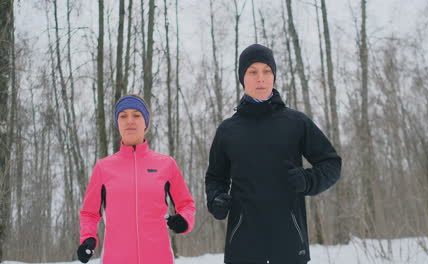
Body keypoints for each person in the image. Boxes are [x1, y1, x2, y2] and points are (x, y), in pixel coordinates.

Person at [205, 44, 342, 264]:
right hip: (243, 247)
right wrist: (216, 199)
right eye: (253, 72)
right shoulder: (227, 131)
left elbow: (332, 164)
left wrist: (308, 180)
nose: (261, 78)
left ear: (274, 76)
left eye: (267, 71)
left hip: (289, 246)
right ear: (243, 78)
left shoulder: (296, 122)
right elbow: (215, 178)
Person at [77, 94, 196, 264]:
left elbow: (186, 204)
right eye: (123, 116)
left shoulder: (166, 165)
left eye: (136, 115)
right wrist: (88, 238)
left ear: (145, 123)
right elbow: (89, 213)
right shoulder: (103, 168)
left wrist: (184, 220)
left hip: (159, 259)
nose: (130, 121)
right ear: (117, 123)